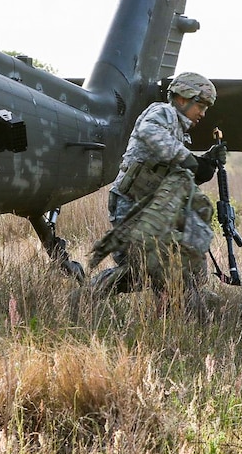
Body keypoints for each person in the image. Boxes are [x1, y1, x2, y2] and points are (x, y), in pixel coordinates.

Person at [85, 72, 226, 311]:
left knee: (164, 268)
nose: (202, 113)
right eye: (200, 105)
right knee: (146, 270)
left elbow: (172, 174)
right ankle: (88, 296)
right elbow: (150, 133)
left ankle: (184, 308)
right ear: (182, 99)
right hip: (132, 208)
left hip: (154, 210)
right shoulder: (163, 112)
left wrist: (206, 163)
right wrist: (188, 159)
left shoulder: (179, 131)